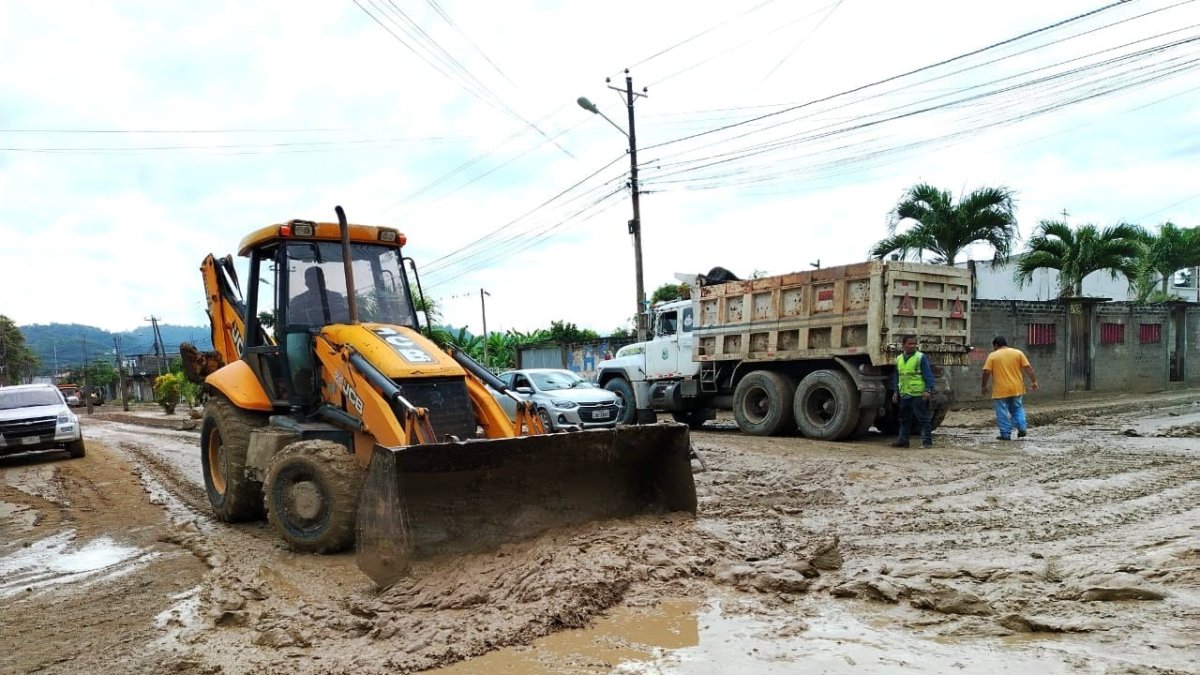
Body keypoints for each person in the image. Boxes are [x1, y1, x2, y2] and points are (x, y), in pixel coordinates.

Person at [981, 335, 1039, 441]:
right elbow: (1028, 367)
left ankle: (1005, 434)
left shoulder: (993, 356)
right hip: (1016, 388)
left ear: (995, 345)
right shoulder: (1018, 353)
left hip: (1001, 390)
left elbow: (986, 372)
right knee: (1017, 408)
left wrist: (983, 386)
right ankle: (1022, 428)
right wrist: (1034, 381)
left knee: (1002, 412)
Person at [891, 335, 935, 448]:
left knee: (923, 418)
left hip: (918, 393)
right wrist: (896, 391)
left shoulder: (920, 357)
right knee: (904, 418)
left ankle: (927, 443)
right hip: (904, 393)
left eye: (914, 344)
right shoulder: (899, 359)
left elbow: (928, 375)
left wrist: (928, 390)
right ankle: (903, 441)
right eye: (909, 344)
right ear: (903, 345)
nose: (912, 346)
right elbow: (897, 376)